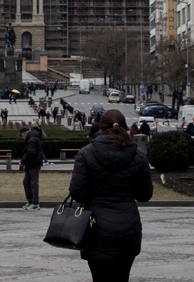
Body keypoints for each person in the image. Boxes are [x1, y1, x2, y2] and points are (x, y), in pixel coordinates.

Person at [69, 109, 153, 282]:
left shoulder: (86, 153)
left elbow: (77, 193)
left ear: (100, 127)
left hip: (95, 227)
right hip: (127, 227)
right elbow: (144, 195)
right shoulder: (138, 155)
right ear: (124, 127)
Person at [20, 124, 45, 210]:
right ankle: (30, 201)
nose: (21, 137)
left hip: (34, 165)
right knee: (26, 182)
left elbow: (31, 153)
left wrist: (22, 161)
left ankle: (35, 203)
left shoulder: (32, 139)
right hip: (30, 165)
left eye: (21, 134)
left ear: (24, 133)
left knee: (33, 183)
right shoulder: (31, 138)